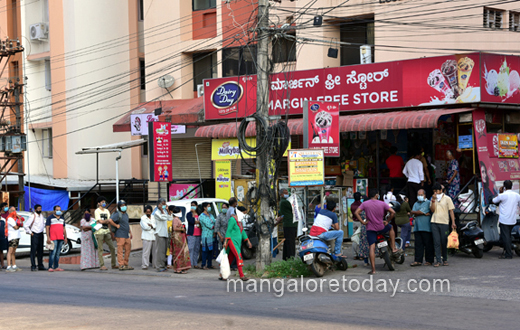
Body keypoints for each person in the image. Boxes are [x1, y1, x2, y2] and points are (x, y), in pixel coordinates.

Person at [354, 189, 400, 275]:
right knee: (391, 228)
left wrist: (363, 222)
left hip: (370, 229)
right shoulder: (382, 203)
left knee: (372, 247)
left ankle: (373, 270)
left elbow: (356, 213)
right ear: (376, 195)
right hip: (381, 227)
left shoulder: (365, 204)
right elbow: (393, 212)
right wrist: (388, 220)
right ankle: (393, 248)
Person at [492, 180, 520, 259]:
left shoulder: (502, 195)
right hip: (513, 219)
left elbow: (494, 201)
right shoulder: (517, 195)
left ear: (504, 186)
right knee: (507, 236)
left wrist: (500, 193)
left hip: (504, 220)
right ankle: (506, 250)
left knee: (506, 237)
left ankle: (508, 254)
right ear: (511, 186)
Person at [430, 183, 456, 267]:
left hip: (444, 222)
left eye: (437, 191)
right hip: (434, 221)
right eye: (434, 191)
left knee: (444, 241)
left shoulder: (447, 198)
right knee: (436, 242)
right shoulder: (433, 199)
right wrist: (433, 200)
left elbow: (451, 211)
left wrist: (453, 222)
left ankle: (445, 259)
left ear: (441, 190)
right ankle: (438, 260)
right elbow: (432, 210)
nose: (435, 193)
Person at [221, 212, 252, 281]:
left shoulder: (239, 221)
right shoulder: (232, 219)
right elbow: (228, 230)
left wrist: (248, 241)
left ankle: (223, 274)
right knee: (239, 256)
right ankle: (242, 275)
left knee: (229, 259)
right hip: (232, 241)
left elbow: (242, 231)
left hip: (237, 242)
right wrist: (225, 242)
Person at [410, 189, 434, 266]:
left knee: (428, 245)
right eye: (418, 195)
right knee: (418, 245)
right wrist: (421, 213)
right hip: (417, 227)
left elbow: (419, 212)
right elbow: (412, 213)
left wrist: (417, 212)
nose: (420, 196)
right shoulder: (416, 203)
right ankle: (418, 260)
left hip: (426, 227)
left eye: (421, 194)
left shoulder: (427, 203)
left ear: (425, 195)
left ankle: (429, 260)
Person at [94, 196, 117, 270]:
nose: (104, 203)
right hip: (99, 232)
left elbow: (109, 220)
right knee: (100, 248)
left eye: (105, 202)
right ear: (99, 203)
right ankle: (102, 265)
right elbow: (99, 221)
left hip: (107, 230)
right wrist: (106, 221)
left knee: (112, 248)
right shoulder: (97, 211)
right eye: (102, 202)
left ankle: (113, 264)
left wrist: (105, 221)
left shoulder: (107, 211)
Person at [110, 200, 133, 271]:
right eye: (122, 206)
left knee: (128, 250)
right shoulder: (117, 214)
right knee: (120, 251)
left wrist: (130, 232)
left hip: (126, 235)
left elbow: (127, 224)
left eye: (124, 205)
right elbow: (110, 220)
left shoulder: (126, 214)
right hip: (120, 235)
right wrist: (116, 225)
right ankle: (121, 264)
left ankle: (126, 264)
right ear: (119, 207)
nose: (124, 207)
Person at [23, 204, 47, 271]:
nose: (40, 210)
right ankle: (33, 265)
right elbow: (26, 225)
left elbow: (43, 224)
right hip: (35, 234)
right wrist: (31, 233)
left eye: (40, 208)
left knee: (40, 250)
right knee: (33, 251)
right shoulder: (32, 216)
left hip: (41, 234)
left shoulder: (41, 216)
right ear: (35, 209)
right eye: (38, 209)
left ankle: (40, 265)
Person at [46, 205, 68, 272]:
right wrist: (48, 238)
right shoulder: (50, 218)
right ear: (54, 210)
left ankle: (56, 267)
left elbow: (64, 228)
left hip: (60, 237)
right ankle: (50, 267)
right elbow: (47, 228)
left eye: (59, 210)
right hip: (53, 238)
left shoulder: (62, 218)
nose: (58, 211)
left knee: (58, 253)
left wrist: (65, 237)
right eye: (57, 210)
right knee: (53, 252)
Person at [169, 206, 191, 274]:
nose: (181, 213)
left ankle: (178, 268)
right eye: (180, 211)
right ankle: (179, 269)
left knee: (179, 253)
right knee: (179, 253)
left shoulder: (177, 219)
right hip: (178, 238)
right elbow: (175, 228)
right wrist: (182, 229)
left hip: (179, 238)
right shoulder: (175, 219)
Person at [154, 198, 172, 272]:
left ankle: (163, 265)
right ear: (159, 205)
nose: (164, 205)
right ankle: (159, 266)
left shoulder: (164, 211)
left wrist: (167, 211)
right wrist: (162, 210)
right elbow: (163, 218)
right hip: (160, 233)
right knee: (160, 252)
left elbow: (169, 218)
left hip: (165, 233)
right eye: (163, 204)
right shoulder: (157, 212)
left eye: (165, 204)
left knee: (164, 251)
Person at [278, 188, 297, 261]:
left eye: (287, 192)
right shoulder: (284, 202)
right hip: (289, 224)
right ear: (281, 194)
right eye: (285, 193)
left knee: (287, 241)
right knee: (290, 242)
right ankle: (290, 257)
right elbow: (293, 207)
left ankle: (286, 257)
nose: (287, 194)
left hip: (288, 224)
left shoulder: (284, 201)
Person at [199, 202, 215, 270]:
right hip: (206, 235)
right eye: (208, 206)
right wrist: (215, 227)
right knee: (205, 251)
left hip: (211, 235)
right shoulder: (202, 216)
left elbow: (214, 221)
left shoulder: (211, 215)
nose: (209, 207)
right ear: (204, 207)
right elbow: (208, 225)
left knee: (211, 251)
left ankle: (209, 264)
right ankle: (203, 265)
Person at [6, 207, 22, 272]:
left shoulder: (15, 218)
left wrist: (19, 217)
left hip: (17, 236)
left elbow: (21, 223)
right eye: (12, 211)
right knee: (10, 251)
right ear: (9, 211)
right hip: (12, 237)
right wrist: (18, 226)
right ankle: (9, 266)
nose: (14, 212)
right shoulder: (10, 219)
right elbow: (15, 227)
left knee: (13, 252)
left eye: (15, 210)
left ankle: (14, 265)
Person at [140, 205, 156, 270]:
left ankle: (155, 264)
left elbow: (156, 225)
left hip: (154, 236)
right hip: (146, 237)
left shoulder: (154, 217)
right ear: (145, 212)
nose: (148, 213)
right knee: (146, 252)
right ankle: (145, 265)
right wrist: (152, 226)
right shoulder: (143, 218)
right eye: (147, 212)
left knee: (155, 252)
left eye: (149, 211)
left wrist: (151, 225)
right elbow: (146, 227)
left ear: (151, 211)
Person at [186, 201, 201, 269]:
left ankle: (195, 263)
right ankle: (190, 263)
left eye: (194, 205)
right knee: (191, 248)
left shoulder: (199, 214)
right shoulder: (189, 214)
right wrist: (193, 214)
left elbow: (201, 222)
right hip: (191, 234)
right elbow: (191, 221)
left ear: (197, 206)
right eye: (191, 205)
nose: (193, 206)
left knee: (197, 249)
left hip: (198, 233)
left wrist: (197, 221)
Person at [1, 203, 10, 269]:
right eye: (5, 206)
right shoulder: (1, 216)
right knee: (0, 251)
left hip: (6, 235)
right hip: (2, 236)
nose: (7, 207)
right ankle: (2, 264)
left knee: (8, 250)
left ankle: (9, 264)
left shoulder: (8, 214)